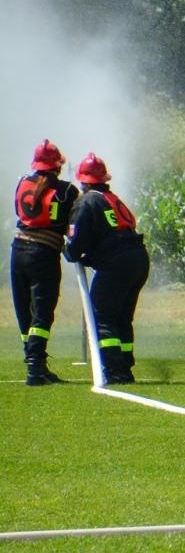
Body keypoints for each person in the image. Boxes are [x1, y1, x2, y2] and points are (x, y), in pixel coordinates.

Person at [63, 153, 149, 385]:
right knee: (122, 318)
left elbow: (77, 241)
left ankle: (114, 370)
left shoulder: (86, 202)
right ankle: (125, 367)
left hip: (116, 264)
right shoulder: (110, 198)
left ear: (84, 180)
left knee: (102, 317)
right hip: (137, 259)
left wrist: (69, 251)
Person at [12, 139, 81, 385]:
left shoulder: (22, 182)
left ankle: (35, 363)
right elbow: (72, 225)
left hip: (18, 251)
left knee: (24, 311)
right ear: (57, 166)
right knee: (42, 312)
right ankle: (36, 369)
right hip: (44, 253)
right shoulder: (67, 190)